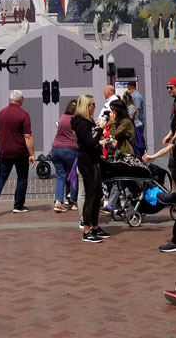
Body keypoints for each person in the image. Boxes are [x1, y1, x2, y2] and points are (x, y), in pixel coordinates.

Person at [0, 90, 35, 216]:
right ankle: (18, 205)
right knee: (22, 178)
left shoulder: (1, 114)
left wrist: (2, 144)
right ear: (20, 100)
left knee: (1, 176)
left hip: (5, 152)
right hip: (20, 152)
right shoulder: (24, 115)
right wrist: (32, 154)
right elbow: (27, 136)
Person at [71, 93, 111, 242]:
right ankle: (87, 230)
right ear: (86, 106)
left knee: (97, 194)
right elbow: (89, 142)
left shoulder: (86, 122)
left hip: (93, 160)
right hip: (87, 162)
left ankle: (95, 226)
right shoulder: (81, 123)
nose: (94, 106)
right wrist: (100, 129)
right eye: (92, 104)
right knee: (90, 195)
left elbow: (92, 140)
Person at [104, 99, 136, 212]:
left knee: (122, 180)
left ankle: (112, 205)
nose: (111, 113)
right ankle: (114, 204)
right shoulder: (121, 121)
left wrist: (112, 121)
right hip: (121, 154)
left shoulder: (126, 122)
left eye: (113, 110)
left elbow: (115, 134)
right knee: (122, 181)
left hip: (126, 154)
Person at [49, 100, 79, 212]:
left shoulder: (62, 117)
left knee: (61, 176)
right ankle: (74, 201)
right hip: (70, 149)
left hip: (56, 148)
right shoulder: (75, 119)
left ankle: (58, 202)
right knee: (74, 175)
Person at [125, 81, 146, 155]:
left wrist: (130, 116)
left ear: (130, 88)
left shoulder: (136, 96)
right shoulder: (133, 96)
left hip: (137, 123)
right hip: (135, 123)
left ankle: (140, 157)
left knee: (138, 143)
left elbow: (137, 109)